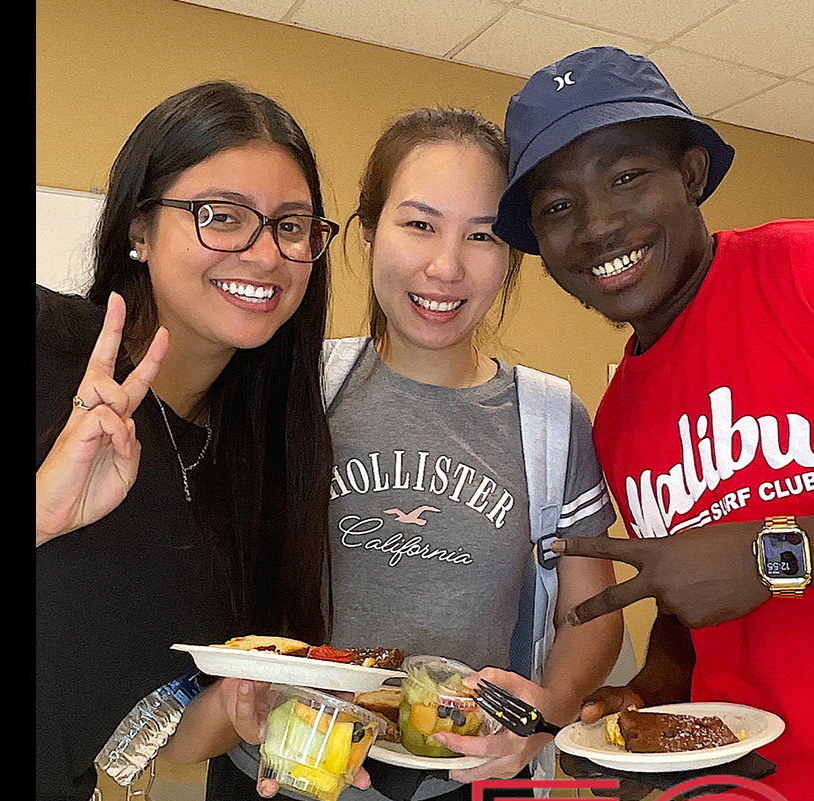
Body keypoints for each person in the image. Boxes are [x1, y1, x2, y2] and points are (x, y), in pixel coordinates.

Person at [190, 108, 623, 801]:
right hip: (279, 772)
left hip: (452, 781)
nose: (446, 267)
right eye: (419, 224)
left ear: (511, 250)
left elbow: (592, 608)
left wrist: (551, 706)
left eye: (481, 235)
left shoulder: (549, 421)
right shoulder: (292, 389)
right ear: (366, 234)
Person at [490, 47, 814, 801]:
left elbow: (738, 560)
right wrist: (652, 686)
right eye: (557, 206)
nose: (597, 224)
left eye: (626, 176)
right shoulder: (619, 421)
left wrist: (771, 555)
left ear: (692, 175)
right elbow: (691, 593)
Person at [36, 80, 339, 801]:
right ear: (140, 227)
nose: (265, 254)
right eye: (222, 216)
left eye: (291, 225)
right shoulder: (47, 349)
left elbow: (155, 725)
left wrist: (238, 706)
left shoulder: (268, 458)